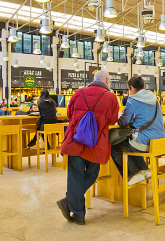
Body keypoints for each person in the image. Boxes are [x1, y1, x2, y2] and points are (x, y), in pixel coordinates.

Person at [57, 70, 119, 225]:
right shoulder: (111, 97)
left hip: (75, 140)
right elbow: (112, 120)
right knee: (93, 173)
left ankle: (76, 211)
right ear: (106, 80)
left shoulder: (78, 93)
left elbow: (70, 114)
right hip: (96, 143)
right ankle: (74, 208)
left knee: (75, 175)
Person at [111, 76, 165, 186]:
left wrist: (119, 116)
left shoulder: (133, 101)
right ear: (144, 86)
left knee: (115, 146)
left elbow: (123, 122)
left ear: (131, 88)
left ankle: (132, 174)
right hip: (161, 141)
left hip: (146, 142)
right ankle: (144, 169)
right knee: (130, 143)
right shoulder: (154, 98)